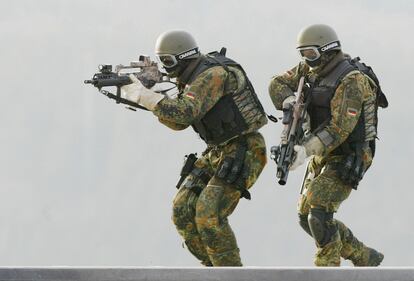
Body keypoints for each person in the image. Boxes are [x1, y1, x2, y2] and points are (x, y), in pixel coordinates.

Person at [120, 30, 268, 266]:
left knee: (209, 214)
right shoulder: (191, 79)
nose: (166, 69)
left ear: (185, 57)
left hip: (244, 149)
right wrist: (148, 97)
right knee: (182, 210)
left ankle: (231, 274)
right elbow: (179, 123)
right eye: (163, 61)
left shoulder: (212, 75)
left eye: (169, 62)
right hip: (218, 150)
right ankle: (213, 267)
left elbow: (186, 111)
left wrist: (145, 95)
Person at [268, 24, 384, 266]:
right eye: (303, 54)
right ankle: (362, 254)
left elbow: (340, 128)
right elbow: (277, 83)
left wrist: (303, 151)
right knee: (304, 217)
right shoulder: (310, 71)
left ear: (327, 50)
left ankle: (327, 269)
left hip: (351, 154)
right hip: (323, 152)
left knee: (319, 213)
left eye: (310, 53)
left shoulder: (352, 80)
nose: (306, 60)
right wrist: (289, 100)